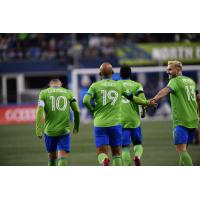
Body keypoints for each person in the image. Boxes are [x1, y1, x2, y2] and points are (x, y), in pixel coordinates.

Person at [83, 62, 156, 166]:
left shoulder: (94, 86)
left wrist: (93, 111)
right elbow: (134, 98)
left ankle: (104, 161)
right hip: (116, 124)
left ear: (100, 74)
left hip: (100, 123)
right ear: (112, 72)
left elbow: (85, 101)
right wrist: (147, 102)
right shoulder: (118, 85)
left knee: (102, 153)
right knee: (117, 154)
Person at [150, 61, 200, 166]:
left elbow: (165, 90)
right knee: (183, 150)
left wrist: (154, 99)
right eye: (167, 69)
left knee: (181, 150)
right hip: (193, 121)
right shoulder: (191, 81)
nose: (168, 72)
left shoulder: (175, 81)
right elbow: (198, 98)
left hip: (181, 121)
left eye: (170, 69)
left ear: (178, 70)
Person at [35, 78, 80, 166]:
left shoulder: (43, 93)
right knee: (62, 157)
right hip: (64, 130)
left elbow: (39, 112)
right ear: (61, 84)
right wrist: (76, 126)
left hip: (49, 131)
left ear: (49, 84)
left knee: (52, 157)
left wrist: (38, 130)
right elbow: (77, 111)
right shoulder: (69, 93)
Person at [118, 66, 147, 166]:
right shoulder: (137, 85)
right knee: (138, 144)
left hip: (120, 120)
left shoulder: (116, 85)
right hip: (134, 119)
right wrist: (143, 112)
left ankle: (127, 166)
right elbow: (143, 100)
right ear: (130, 74)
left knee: (125, 147)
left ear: (120, 74)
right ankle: (137, 157)